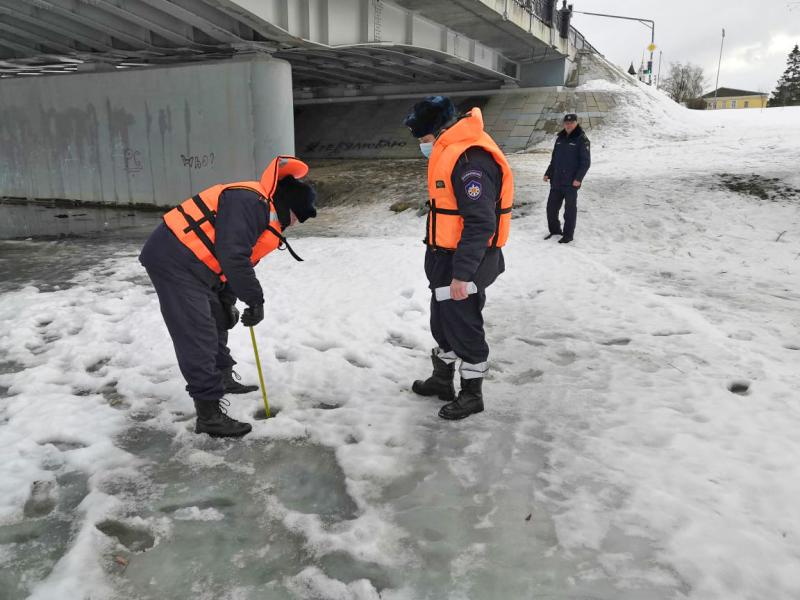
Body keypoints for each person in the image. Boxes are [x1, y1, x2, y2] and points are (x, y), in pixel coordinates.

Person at [139, 156, 317, 438]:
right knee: (197, 333)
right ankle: (209, 414)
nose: (294, 224)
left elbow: (240, 260)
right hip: (175, 260)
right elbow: (233, 256)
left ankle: (222, 376)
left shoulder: (263, 213)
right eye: (297, 217)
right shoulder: (249, 202)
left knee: (219, 317)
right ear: (289, 206)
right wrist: (255, 300)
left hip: (201, 265)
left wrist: (229, 299)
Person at [404, 96, 514, 420]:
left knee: (465, 325)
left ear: (440, 131)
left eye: (424, 139)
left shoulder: (471, 160)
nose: (423, 146)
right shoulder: (449, 150)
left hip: (466, 262)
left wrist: (462, 275)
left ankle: (472, 394)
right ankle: (442, 380)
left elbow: (481, 223)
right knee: (442, 322)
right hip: (445, 259)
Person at [543, 113, 591, 244]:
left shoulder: (582, 139)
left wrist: (578, 179)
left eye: (571, 123)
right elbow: (554, 159)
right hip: (557, 180)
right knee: (551, 208)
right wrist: (548, 173)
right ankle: (555, 231)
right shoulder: (560, 138)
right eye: (566, 123)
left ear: (576, 123)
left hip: (571, 182)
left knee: (569, 211)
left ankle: (568, 235)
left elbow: (585, 162)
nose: (568, 125)